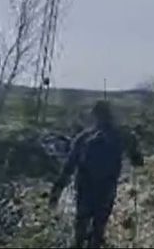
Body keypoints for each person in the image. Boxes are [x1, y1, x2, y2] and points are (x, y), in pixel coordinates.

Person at [50, 100, 144, 248]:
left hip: (84, 187)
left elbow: (69, 166)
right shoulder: (122, 135)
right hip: (107, 188)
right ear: (111, 115)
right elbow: (138, 161)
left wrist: (56, 191)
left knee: (81, 224)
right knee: (98, 227)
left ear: (95, 116)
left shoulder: (84, 137)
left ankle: (79, 244)